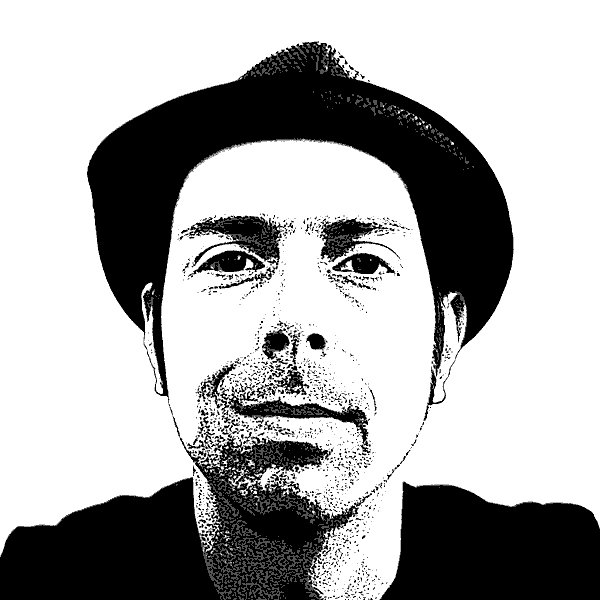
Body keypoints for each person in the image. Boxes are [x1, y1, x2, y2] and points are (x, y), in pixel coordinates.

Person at [1, 42, 598, 598]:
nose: (294, 318)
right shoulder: (45, 581)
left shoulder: (562, 571)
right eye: (230, 261)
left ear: (444, 345)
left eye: (364, 263)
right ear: (154, 337)